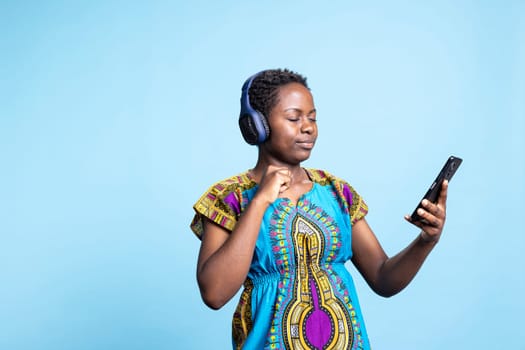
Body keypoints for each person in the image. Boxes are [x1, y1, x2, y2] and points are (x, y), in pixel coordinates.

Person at [190, 68, 449, 349]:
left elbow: (383, 278)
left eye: (312, 118)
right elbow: (214, 293)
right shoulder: (228, 197)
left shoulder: (336, 191)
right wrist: (261, 199)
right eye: (294, 118)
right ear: (258, 125)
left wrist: (426, 241)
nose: (308, 127)